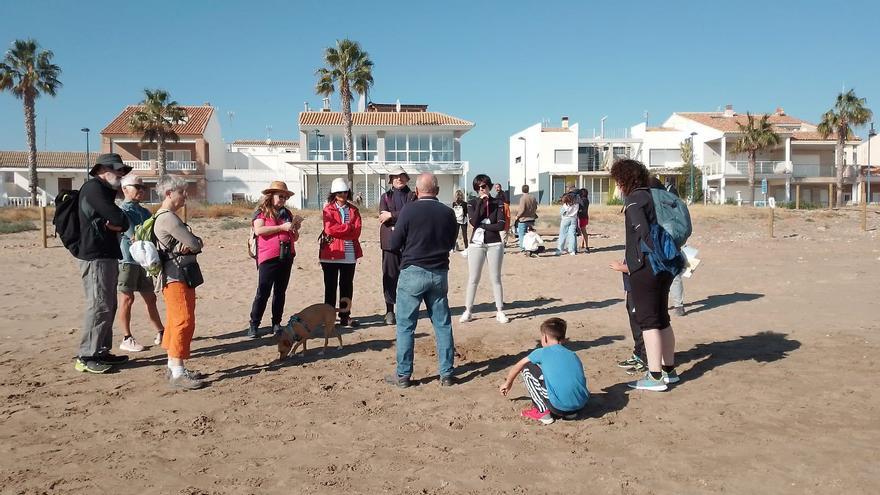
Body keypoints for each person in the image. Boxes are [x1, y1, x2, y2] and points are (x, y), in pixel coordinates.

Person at [608, 159, 679, 391]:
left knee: (648, 322)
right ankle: (669, 371)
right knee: (663, 319)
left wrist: (636, 264)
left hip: (647, 267)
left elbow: (644, 234)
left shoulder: (634, 200)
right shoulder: (654, 196)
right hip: (666, 267)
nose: (617, 186)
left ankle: (655, 376)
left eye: (618, 181)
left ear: (624, 179)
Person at [384, 172, 459, 388]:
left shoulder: (409, 210)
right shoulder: (448, 212)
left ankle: (403, 375)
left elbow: (395, 242)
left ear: (417, 191)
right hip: (438, 272)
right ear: (437, 191)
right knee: (442, 324)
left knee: (406, 326)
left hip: (413, 271)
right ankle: (446, 374)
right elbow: (450, 242)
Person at [74, 153, 132, 373]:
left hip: (106, 254)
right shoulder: (93, 188)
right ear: (102, 170)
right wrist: (118, 223)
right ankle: (87, 355)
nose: (121, 175)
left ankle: (101, 350)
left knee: (108, 304)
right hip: (95, 255)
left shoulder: (104, 191)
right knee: (99, 305)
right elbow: (118, 218)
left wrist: (119, 223)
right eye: (118, 170)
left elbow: (122, 221)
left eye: (122, 171)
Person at [153, 176, 205, 390]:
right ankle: (178, 371)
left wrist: (193, 244)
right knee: (183, 320)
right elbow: (194, 242)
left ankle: (172, 366)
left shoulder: (162, 216)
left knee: (175, 320)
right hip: (177, 276)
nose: (185, 195)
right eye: (181, 192)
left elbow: (191, 244)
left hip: (172, 276)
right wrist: (196, 242)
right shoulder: (168, 219)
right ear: (168, 194)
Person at [499, 318, 589, 425]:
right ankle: (570, 413)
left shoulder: (541, 352)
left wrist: (508, 383)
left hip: (558, 407)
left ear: (545, 337)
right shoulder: (573, 354)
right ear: (563, 338)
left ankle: (542, 412)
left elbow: (518, 365)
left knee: (527, 366)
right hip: (580, 405)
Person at [247, 181, 302, 339]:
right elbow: (259, 230)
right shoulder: (261, 212)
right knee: (263, 291)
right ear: (271, 196)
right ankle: (254, 324)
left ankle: (276, 323)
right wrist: (281, 228)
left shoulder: (287, 213)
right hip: (268, 256)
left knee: (280, 292)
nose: (283, 199)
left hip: (286, 255)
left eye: (285, 197)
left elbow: (294, 236)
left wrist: (294, 229)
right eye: (280, 196)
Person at [117, 174, 165, 353]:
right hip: (128, 260)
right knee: (127, 299)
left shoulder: (144, 212)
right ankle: (126, 337)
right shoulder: (123, 211)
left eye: (143, 188)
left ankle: (161, 331)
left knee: (150, 298)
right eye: (138, 187)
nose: (142, 191)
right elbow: (134, 236)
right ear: (125, 189)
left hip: (144, 261)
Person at [461, 174, 508, 324]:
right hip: (476, 244)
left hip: (494, 243)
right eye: (479, 187)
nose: (482, 189)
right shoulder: (472, 202)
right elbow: (474, 222)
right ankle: (468, 310)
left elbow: (500, 225)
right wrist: (481, 204)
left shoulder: (499, 202)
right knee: (473, 278)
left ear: (489, 186)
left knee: (496, 278)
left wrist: (484, 225)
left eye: (484, 186)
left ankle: (500, 310)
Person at [320, 178, 363, 328]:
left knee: (346, 286)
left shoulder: (354, 210)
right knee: (330, 287)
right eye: (339, 192)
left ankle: (345, 316)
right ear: (334, 193)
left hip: (349, 254)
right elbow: (329, 229)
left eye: (345, 192)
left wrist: (343, 229)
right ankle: (328, 318)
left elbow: (356, 232)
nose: (342, 195)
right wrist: (347, 227)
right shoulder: (328, 209)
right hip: (331, 254)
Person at [378, 168, 416, 325]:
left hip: (409, 242)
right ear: (391, 180)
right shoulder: (385, 196)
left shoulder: (413, 195)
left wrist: (392, 215)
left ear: (406, 179)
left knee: (409, 277)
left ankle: (406, 309)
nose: (398, 179)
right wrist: (397, 217)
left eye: (401, 176)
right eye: (395, 177)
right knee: (390, 276)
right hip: (390, 242)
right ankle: (389, 310)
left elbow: (411, 214)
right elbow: (382, 216)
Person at [664, 177, 686, 316]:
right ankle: (678, 305)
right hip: (673, 239)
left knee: (668, 273)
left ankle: (677, 304)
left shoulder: (660, 198)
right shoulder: (674, 200)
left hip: (665, 239)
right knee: (675, 273)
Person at [514, 184, 538, 255]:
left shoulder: (523, 198)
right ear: (528, 189)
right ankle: (530, 247)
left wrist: (517, 216)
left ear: (522, 190)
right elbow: (535, 207)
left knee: (521, 234)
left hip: (523, 219)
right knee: (530, 234)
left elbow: (522, 209)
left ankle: (523, 248)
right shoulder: (533, 197)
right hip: (532, 218)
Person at [576, 188, 590, 253]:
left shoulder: (583, 200)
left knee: (584, 232)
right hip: (585, 217)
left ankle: (587, 246)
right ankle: (582, 245)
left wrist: (578, 211)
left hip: (582, 217)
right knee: (583, 231)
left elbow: (582, 208)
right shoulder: (586, 200)